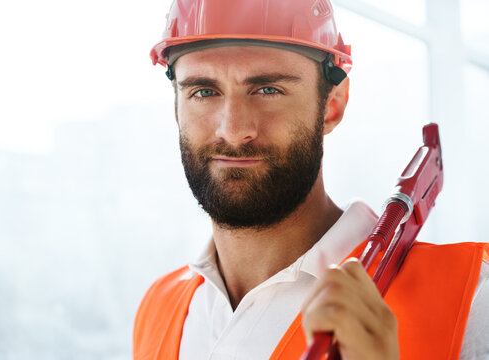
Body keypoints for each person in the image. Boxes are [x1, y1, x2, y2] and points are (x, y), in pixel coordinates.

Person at [133, 0, 489, 359]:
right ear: (177, 106)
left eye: (267, 90)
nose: (233, 130)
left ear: (332, 105)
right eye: (204, 92)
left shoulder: (472, 296)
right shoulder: (159, 307)